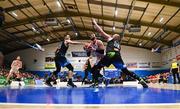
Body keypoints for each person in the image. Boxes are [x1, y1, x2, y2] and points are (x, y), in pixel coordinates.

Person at [91, 19, 148, 88]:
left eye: (113, 35)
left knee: (96, 68)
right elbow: (117, 52)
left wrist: (95, 23)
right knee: (126, 71)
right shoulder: (118, 44)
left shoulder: (110, 38)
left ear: (114, 37)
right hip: (118, 57)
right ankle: (140, 79)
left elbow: (101, 31)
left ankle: (96, 83)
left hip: (110, 54)